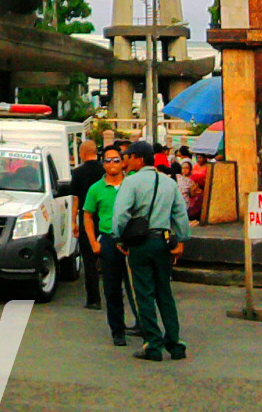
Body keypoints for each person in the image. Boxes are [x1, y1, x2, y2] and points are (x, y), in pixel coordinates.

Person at [111, 140, 190, 362]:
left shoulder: (131, 182)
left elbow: (120, 215)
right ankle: (174, 342)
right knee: (164, 291)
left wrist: (118, 237)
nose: (126, 161)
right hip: (163, 242)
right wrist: (181, 239)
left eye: (128, 157)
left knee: (143, 293)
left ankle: (152, 343)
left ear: (139, 158)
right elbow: (180, 214)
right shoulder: (168, 183)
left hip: (140, 243)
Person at [83, 143, 140, 346]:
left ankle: (142, 323)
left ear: (123, 163)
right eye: (108, 160)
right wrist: (93, 242)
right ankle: (118, 330)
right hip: (108, 240)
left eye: (116, 160)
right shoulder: (96, 189)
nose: (112, 164)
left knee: (137, 284)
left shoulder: (132, 184)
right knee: (112, 287)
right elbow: (88, 216)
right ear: (103, 163)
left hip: (133, 240)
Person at [69, 140, 105, 310]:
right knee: (109, 259)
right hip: (105, 218)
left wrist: (73, 221)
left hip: (86, 219)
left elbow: (75, 198)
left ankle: (93, 299)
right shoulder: (105, 170)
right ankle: (115, 293)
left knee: (89, 260)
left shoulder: (78, 173)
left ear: (82, 153)